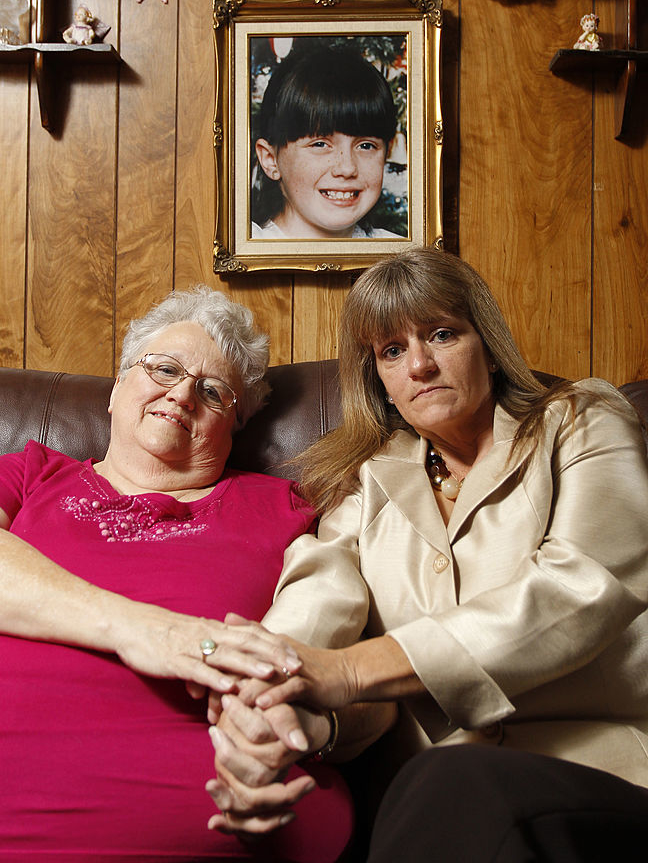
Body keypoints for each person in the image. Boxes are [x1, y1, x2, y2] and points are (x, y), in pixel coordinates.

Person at [204, 248, 648, 859]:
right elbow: (320, 595)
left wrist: (349, 671)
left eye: (442, 334)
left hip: (603, 777)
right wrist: (269, 695)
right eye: (392, 350)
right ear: (379, 381)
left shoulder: (582, 421)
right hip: (434, 810)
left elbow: (582, 589)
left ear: (488, 346)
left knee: (453, 784)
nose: (419, 365)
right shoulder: (366, 482)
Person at [0, 286, 353, 863]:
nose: (183, 393)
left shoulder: (284, 507)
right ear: (116, 388)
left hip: (217, 800)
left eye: (213, 392)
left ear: (235, 425)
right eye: (164, 369)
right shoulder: (33, 475)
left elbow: (342, 647)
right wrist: (142, 630)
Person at [251, 45, 402, 239]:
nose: (347, 168)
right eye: (320, 144)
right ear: (270, 159)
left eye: (366, 146)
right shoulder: (246, 249)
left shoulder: (399, 249)